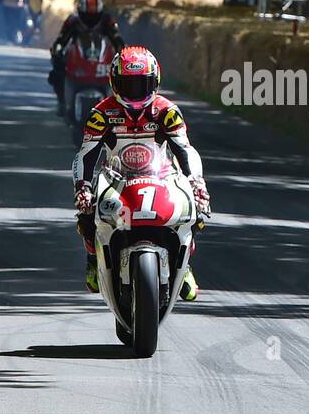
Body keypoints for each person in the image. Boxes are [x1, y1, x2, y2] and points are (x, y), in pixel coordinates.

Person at [71, 46, 210, 298]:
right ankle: (93, 260)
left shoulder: (168, 112)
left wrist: (197, 183)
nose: (135, 92)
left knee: (196, 211)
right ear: (115, 82)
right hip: (117, 177)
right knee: (87, 211)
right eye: (128, 85)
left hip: (163, 175)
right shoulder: (101, 114)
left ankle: (185, 264)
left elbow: (185, 150)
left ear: (154, 82)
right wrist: (83, 187)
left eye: (141, 85)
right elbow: (85, 154)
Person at [48, 0, 125, 114]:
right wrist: (57, 53)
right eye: (87, 15)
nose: (91, 19)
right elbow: (61, 39)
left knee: (124, 75)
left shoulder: (107, 20)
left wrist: (123, 54)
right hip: (77, 59)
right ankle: (62, 102)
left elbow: (117, 39)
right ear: (80, 11)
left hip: (102, 61)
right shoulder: (73, 20)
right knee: (56, 73)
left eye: (94, 15)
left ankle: (121, 106)